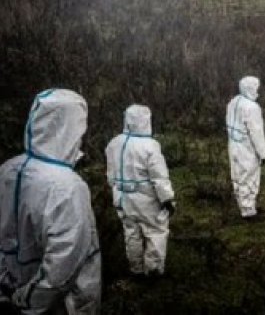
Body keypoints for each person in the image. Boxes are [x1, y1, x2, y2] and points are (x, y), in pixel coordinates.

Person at [0, 89, 101, 313]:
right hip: (56, 304)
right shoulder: (68, 186)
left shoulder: (7, 170)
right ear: (71, 128)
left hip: (10, 287)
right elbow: (63, 261)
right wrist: (30, 301)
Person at [105, 104, 175, 277]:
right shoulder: (150, 145)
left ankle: (135, 268)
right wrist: (167, 199)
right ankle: (153, 271)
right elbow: (159, 176)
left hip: (122, 197)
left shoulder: (114, 143)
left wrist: (116, 190)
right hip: (147, 199)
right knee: (156, 231)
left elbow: (110, 174)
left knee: (131, 232)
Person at [226, 76, 265, 219]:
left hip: (233, 144)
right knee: (249, 176)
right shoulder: (252, 107)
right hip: (247, 147)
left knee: (238, 175)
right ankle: (248, 211)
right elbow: (256, 133)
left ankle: (244, 205)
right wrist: (263, 153)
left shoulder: (233, 101)